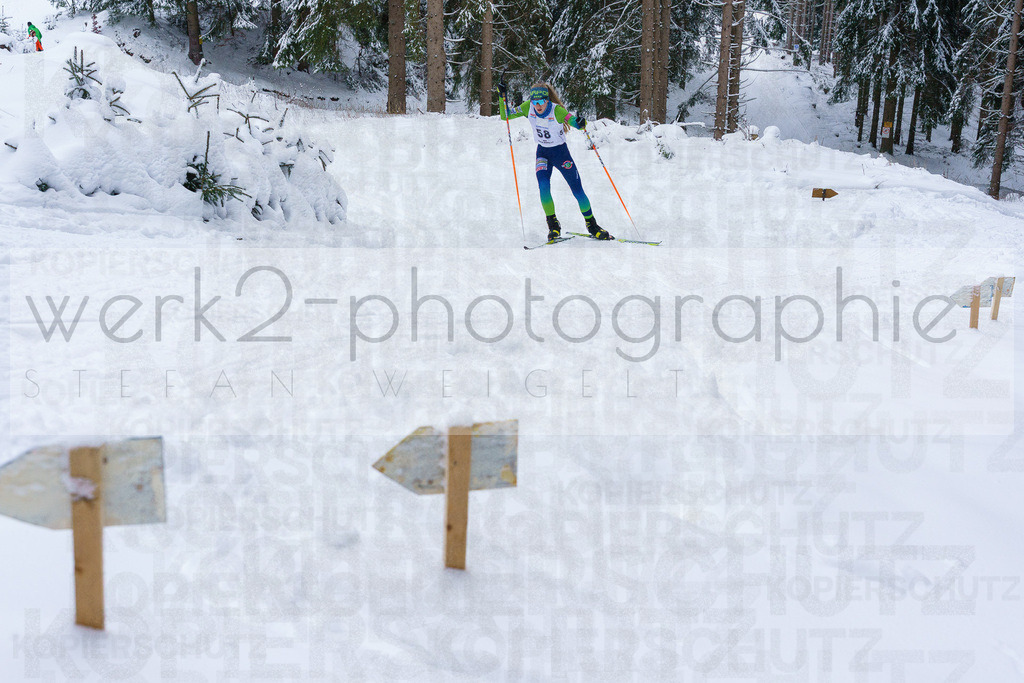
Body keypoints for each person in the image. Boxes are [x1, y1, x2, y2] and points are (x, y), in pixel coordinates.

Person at [499, 81, 613, 241]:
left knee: (577, 189)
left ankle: (592, 225)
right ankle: (553, 226)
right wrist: (501, 95)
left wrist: (580, 122)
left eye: (541, 101)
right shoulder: (528, 107)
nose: (538, 106)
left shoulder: (556, 110)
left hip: (561, 154)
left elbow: (573, 121)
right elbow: (505, 115)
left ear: (547, 100)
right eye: (534, 102)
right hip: (542, 154)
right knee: (543, 188)